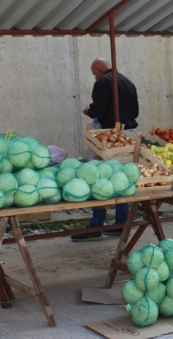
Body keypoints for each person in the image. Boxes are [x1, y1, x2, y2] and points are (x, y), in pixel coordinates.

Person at [71, 58, 139, 242]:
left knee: (99, 178)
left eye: (94, 72)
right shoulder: (127, 81)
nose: (94, 75)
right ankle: (121, 224)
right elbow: (135, 112)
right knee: (122, 179)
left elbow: (99, 110)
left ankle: (96, 226)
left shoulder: (102, 82)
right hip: (128, 136)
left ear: (99, 69)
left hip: (109, 137)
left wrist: (89, 110)